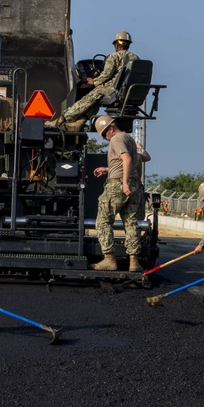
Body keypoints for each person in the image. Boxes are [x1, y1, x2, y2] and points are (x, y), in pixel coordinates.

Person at [90, 116, 149, 271]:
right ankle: (134, 263)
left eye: (104, 134)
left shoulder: (116, 139)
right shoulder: (128, 139)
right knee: (130, 223)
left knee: (103, 221)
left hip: (118, 186)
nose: (104, 138)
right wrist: (107, 169)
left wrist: (123, 183)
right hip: (135, 185)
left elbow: (127, 159)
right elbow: (128, 163)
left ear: (110, 128)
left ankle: (109, 260)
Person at [47, 31, 139, 131]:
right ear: (128, 45)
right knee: (96, 101)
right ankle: (79, 122)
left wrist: (94, 81)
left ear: (116, 45)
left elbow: (106, 75)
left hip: (115, 91)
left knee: (92, 95)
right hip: (129, 92)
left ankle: (63, 118)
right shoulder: (136, 59)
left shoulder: (114, 57)